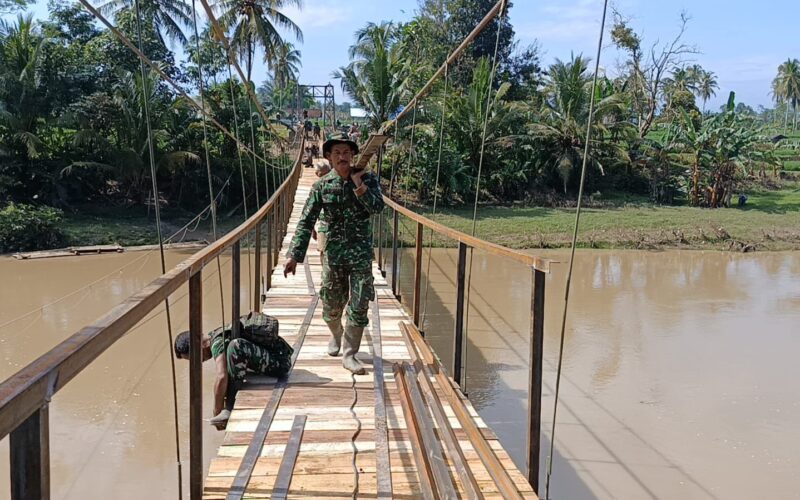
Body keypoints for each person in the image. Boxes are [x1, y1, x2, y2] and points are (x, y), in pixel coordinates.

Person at [283, 133, 383, 375]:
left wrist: (359, 185)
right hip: (333, 256)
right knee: (331, 305)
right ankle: (336, 333)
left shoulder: (368, 179)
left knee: (360, 303)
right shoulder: (322, 186)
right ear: (328, 156)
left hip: (360, 254)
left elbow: (377, 207)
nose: (342, 157)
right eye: (337, 152)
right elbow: (306, 220)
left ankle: (349, 354)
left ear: (353, 155)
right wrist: (294, 255)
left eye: (346, 152)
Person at [173, 314, 290, 427]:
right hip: (277, 358)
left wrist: (217, 411)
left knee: (235, 346)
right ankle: (227, 408)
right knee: (231, 358)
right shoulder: (216, 335)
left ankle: (229, 408)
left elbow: (221, 377)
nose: (199, 361)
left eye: (194, 358)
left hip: (280, 364)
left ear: (199, 345)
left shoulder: (216, 343)